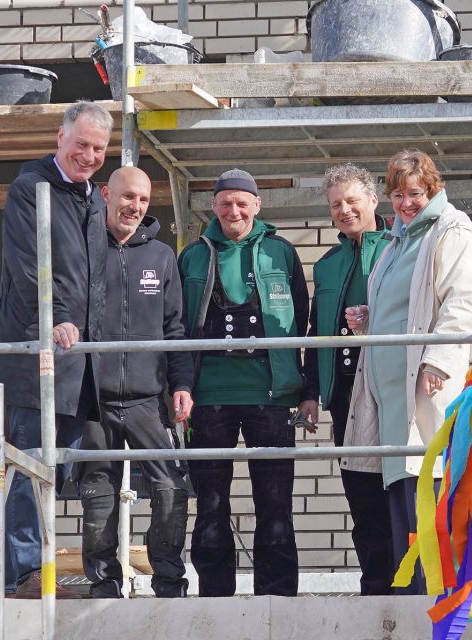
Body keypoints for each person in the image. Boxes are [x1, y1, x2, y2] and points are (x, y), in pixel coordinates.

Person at [0, 101, 112, 599]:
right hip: (37, 355)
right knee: (28, 468)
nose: (89, 155)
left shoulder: (90, 198)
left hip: (78, 361)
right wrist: (53, 318)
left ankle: (44, 571)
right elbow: (28, 265)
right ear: (60, 137)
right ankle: (23, 574)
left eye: (99, 148)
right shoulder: (31, 189)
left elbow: (95, 275)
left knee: (55, 467)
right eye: (81, 144)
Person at [341, 149, 472, 595]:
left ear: (434, 189)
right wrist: (371, 318)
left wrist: (439, 361)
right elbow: (412, 306)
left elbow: (465, 307)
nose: (406, 203)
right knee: (405, 515)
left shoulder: (453, 233)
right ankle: (414, 603)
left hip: (427, 391)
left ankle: (440, 605)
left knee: (430, 507)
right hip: (392, 403)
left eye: (415, 193)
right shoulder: (397, 241)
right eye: (398, 195)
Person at [178, 168, 313, 597]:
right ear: (213, 208)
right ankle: (215, 599)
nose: (233, 210)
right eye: (224, 203)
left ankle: (276, 598)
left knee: (275, 506)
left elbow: (303, 324)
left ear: (257, 205)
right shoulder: (193, 256)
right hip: (208, 397)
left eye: (242, 202)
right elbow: (177, 325)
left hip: (270, 397)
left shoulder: (281, 253)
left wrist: (307, 390)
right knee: (211, 506)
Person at [78, 167, 195, 598]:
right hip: (93, 397)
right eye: (128, 197)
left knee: (170, 488)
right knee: (98, 495)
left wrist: (181, 385)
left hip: (149, 397)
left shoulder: (162, 256)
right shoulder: (85, 248)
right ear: (107, 194)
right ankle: (104, 585)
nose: (135, 206)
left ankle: (169, 583)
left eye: (143, 200)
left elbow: (175, 328)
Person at [302, 164, 394, 595]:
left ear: (374, 201)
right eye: (335, 204)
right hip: (343, 394)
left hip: (389, 387)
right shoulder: (327, 264)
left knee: (397, 487)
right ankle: (374, 584)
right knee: (360, 494)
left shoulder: (399, 248)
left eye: (352, 200)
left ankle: (408, 583)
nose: (344, 210)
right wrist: (309, 392)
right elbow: (312, 331)